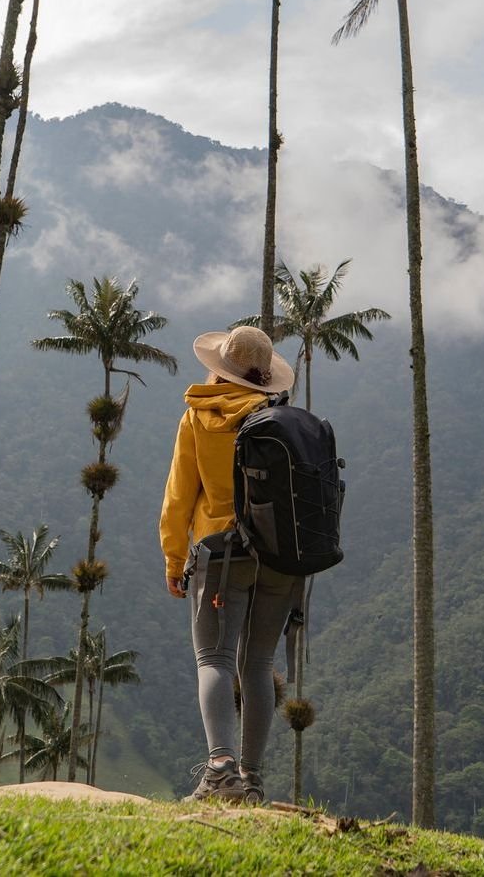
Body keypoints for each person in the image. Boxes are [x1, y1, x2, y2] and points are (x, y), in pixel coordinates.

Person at [160, 325, 305, 804]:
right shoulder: (279, 419)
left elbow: (179, 497)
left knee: (215, 659)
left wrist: (174, 558)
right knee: (259, 663)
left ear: (220, 369)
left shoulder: (198, 418)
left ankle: (221, 772)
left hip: (220, 555)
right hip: (282, 557)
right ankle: (252, 777)